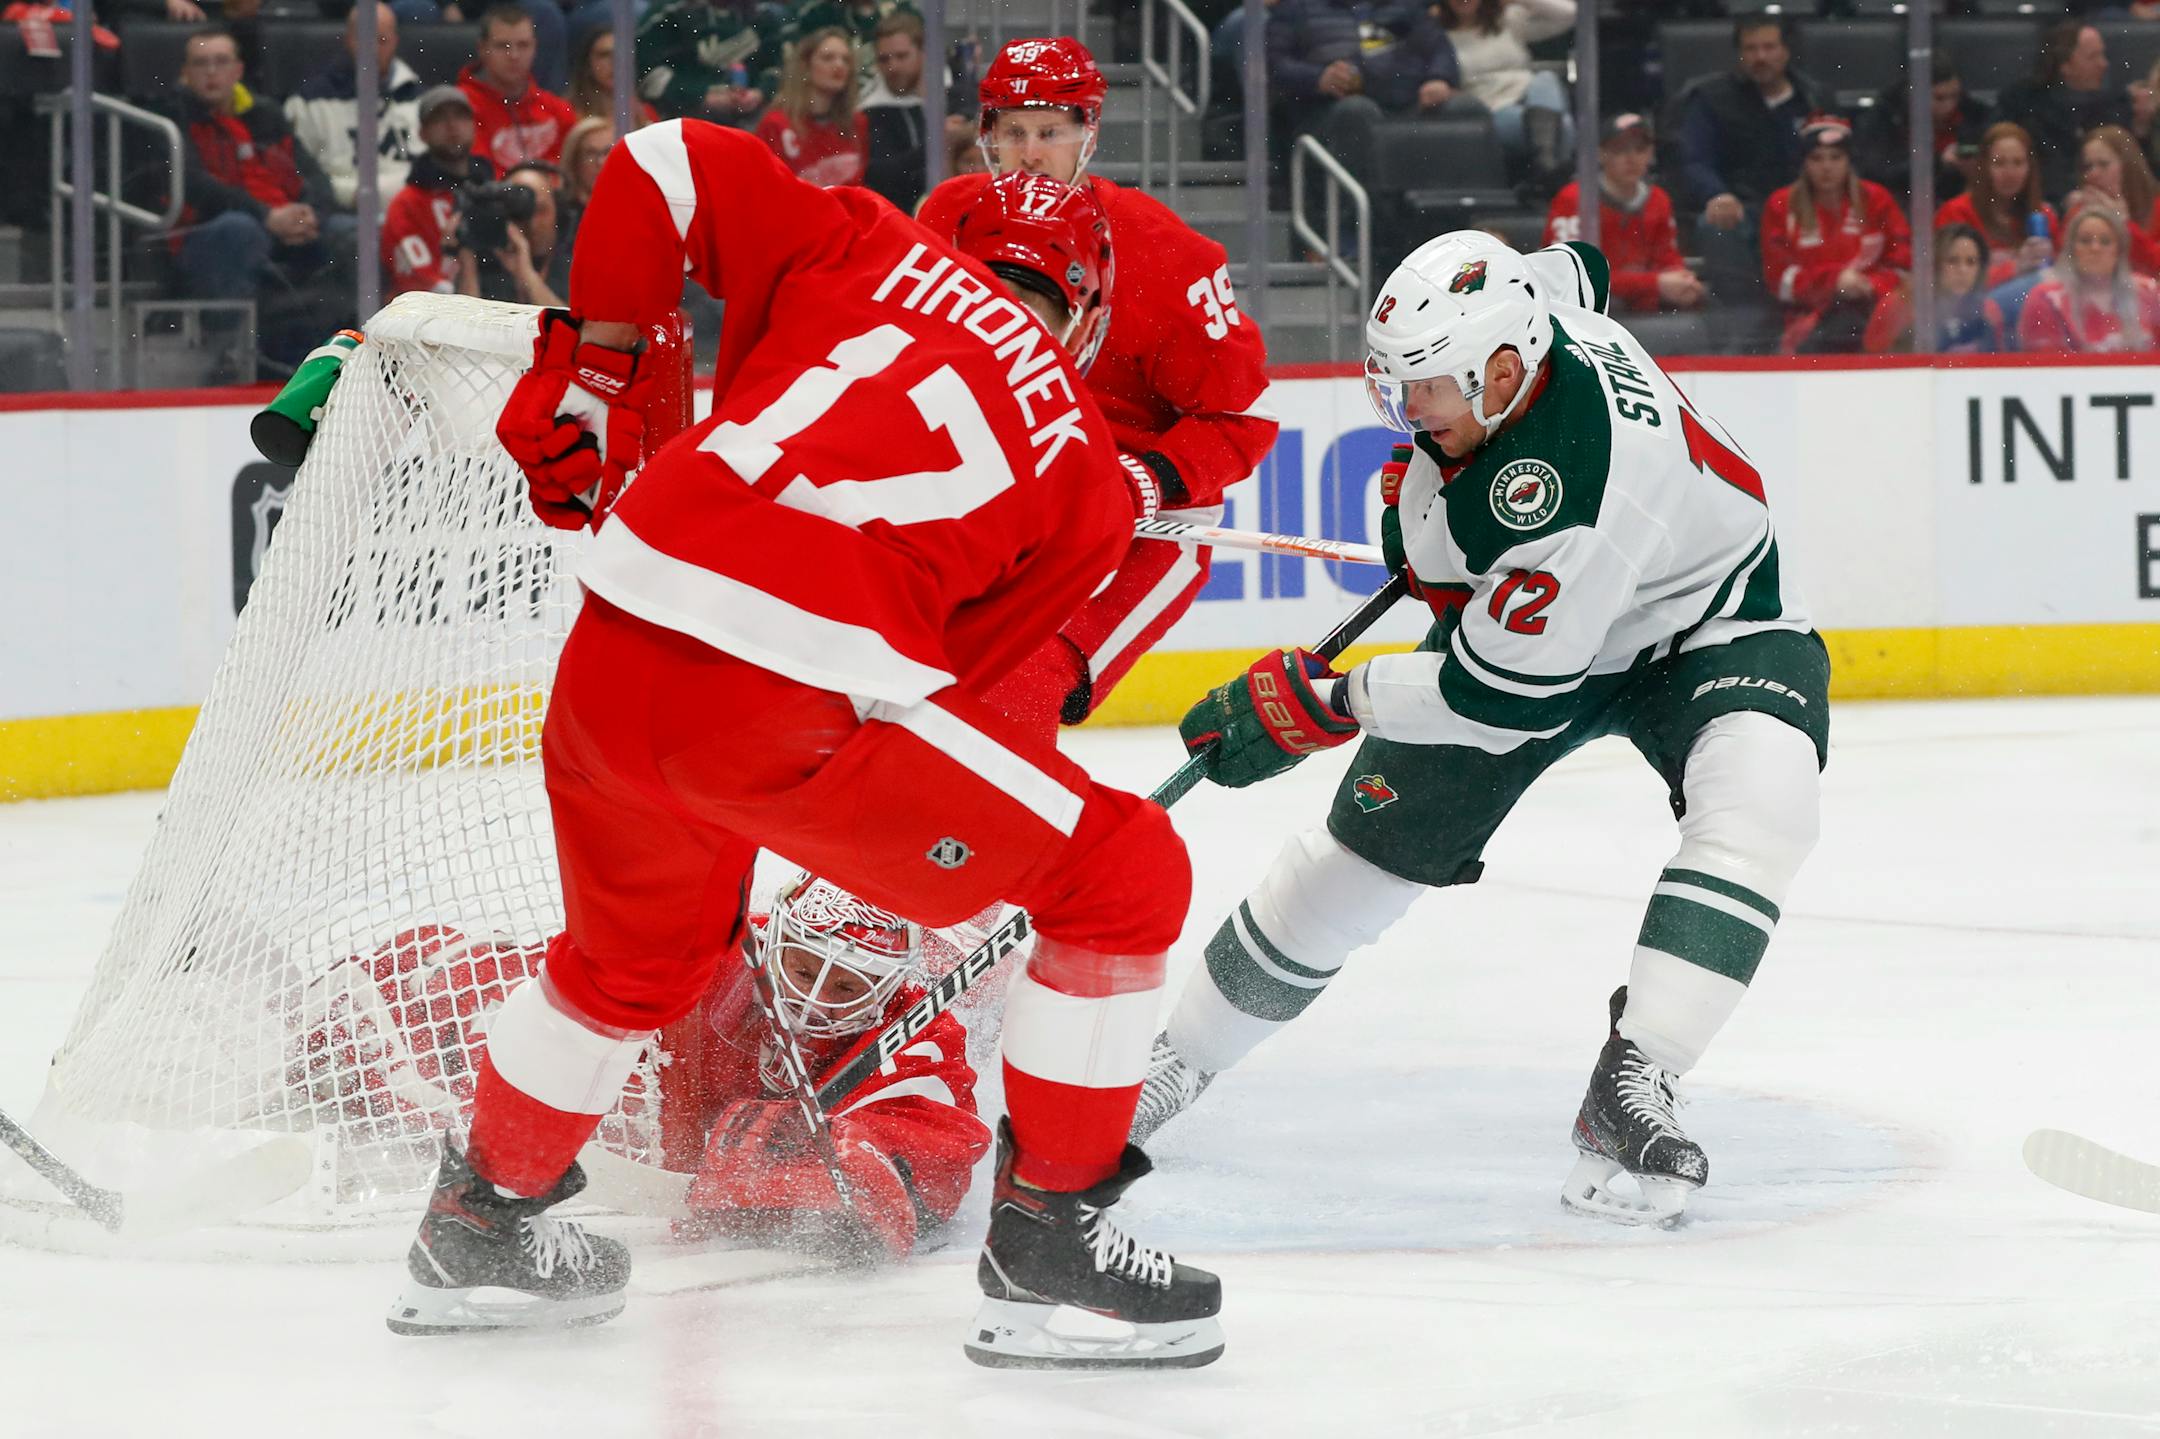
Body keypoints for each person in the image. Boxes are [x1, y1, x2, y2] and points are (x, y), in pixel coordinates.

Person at [386, 127, 1223, 1370]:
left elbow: (658, 161)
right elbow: (955, 678)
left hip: (614, 650)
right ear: (1087, 316)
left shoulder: (863, 242)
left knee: (632, 966)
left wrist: (605, 364)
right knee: (1123, 875)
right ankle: (1056, 1238)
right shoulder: (1094, 478)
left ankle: (484, 1222)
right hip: (781, 706)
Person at [1131, 233, 1828, 1232]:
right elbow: (1579, 262)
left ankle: (1637, 1078)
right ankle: (1177, 1059)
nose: (1410, 412)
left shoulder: (1579, 486)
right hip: (1542, 622)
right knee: (1361, 862)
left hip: (1709, 620)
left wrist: (1325, 701)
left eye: (1427, 389)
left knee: (1767, 800)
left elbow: (1503, 697)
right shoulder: (1524, 320)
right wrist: (1440, 545)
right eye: (1399, 385)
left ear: (1506, 370)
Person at [915, 37, 1278, 739]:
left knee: (1013, 691)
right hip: (995, 496)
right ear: (986, 137)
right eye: (1013, 133)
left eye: (1050, 133)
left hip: (1133, 525)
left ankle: (999, 838)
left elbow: (1242, 415)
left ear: (1089, 135)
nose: (1030, 153)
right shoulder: (948, 221)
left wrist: (1147, 479)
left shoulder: (1168, 253)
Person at [656, 873, 991, 1259]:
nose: (816, 1002)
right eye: (803, 973)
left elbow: (939, 1154)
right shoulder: (714, 957)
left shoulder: (921, 1028)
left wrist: (855, 1154)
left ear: (889, 986)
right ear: (773, 943)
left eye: (848, 988)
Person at [159, 28, 354, 359]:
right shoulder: (172, 120)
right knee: (239, 229)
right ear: (185, 73)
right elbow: (197, 187)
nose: (211, 72)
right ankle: (230, 351)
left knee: (352, 233)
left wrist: (312, 215)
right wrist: (266, 217)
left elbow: (311, 175)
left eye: (220, 62)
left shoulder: (266, 116)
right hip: (207, 238)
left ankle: (349, 348)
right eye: (201, 63)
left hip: (280, 229)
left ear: (238, 71)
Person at [1677, 15, 1824, 303]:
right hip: (1743, 207)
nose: (1760, 57)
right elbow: (1695, 161)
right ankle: (1743, 327)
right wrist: (1716, 194)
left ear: (1786, 51)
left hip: (1802, 208)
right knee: (1716, 225)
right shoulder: (1711, 98)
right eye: (1751, 49)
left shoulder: (1814, 98)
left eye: (1769, 47)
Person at [1759, 116, 1910, 355]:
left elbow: (1903, 265)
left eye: (1836, 158)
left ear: (1849, 161)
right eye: (1816, 158)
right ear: (1804, 163)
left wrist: (1871, 285)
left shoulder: (1877, 200)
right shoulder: (1781, 205)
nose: (1826, 167)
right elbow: (1779, 278)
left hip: (1873, 312)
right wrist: (1834, 282)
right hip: (1807, 321)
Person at [1543, 113, 1702, 313]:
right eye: (1619, 150)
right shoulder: (1574, 199)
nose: (1631, 158)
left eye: (1640, 149)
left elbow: (1667, 257)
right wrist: (1655, 284)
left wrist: (1683, 279)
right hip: (1587, 309)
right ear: (1602, 154)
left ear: (1651, 154)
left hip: (1643, 299)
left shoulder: (1659, 199)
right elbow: (1571, 277)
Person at [1996, 22, 2156, 210]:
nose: (2104, 64)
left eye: (2102, 54)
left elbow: (2139, 175)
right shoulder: (2022, 106)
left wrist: (2142, 128)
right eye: (2093, 57)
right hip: (2044, 209)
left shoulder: (2117, 106)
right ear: (2066, 66)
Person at [286, 3, 425, 213]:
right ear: (349, 40)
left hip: (411, 212)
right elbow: (297, 174)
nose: (373, 50)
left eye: (382, 40)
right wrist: (350, 195)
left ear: (395, 42)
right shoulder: (308, 102)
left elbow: (435, 170)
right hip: (342, 213)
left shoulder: (423, 101)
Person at [1435, 0, 1576, 189]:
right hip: (1493, 107)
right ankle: (1551, 177)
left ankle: (1546, 171)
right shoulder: (1439, 36)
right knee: (1564, 125)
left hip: (1532, 95)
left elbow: (1571, 14)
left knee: (1546, 78)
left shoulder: (1508, 21)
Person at [382, 86, 493, 296]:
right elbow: (422, 294)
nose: (452, 126)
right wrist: (462, 257)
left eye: (460, 116)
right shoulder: (407, 205)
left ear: (474, 126)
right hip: (438, 320)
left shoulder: (494, 192)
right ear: (422, 134)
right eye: (440, 118)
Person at [858, 8, 971, 213]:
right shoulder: (870, 111)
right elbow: (880, 175)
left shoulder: (959, 94)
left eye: (902, 56)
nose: (893, 66)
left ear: (923, 53)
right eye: (884, 59)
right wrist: (937, 142)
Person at [1854, 50, 1989, 207]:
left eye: (1955, 96)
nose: (1950, 105)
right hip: (1904, 202)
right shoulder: (1884, 117)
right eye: (1939, 98)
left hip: (1959, 198)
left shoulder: (1975, 114)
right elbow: (1876, 172)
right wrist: (1937, 163)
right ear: (1916, 94)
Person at [2017, 206, 2160, 353]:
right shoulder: (2046, 299)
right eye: (2085, 241)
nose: (2095, 248)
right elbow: (2043, 367)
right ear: (2071, 249)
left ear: (2119, 251)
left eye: (2105, 241)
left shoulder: (2149, 291)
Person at [1933, 123, 2057, 292]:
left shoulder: (2044, 216)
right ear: (1984, 167)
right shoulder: (1955, 212)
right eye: (1999, 163)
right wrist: (2014, 268)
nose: (2010, 172)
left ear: (2030, 168)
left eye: (2018, 163)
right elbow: (1946, 280)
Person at [458, 4, 579, 171]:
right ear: (482, 49)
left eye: (523, 45)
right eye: (502, 46)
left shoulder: (559, 111)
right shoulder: (461, 108)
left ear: (535, 47)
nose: (514, 56)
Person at [633, 0, 777, 126]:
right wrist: (701, 96)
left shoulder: (762, 14)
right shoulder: (668, 13)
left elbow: (777, 68)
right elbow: (648, 77)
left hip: (750, 120)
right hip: (682, 119)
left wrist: (760, 93)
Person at [756, 24, 866, 186]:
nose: (839, 65)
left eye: (846, 60)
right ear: (806, 67)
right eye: (828, 58)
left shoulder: (857, 123)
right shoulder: (776, 125)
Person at [455, 160, 565, 307]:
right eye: (519, 213)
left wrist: (527, 275)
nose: (531, 223)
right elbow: (464, 325)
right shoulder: (484, 258)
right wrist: (466, 253)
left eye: (540, 210)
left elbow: (570, 327)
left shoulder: (577, 263)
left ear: (557, 211)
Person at [2064, 126, 2160, 278]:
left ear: (2128, 167)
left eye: (2103, 164)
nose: (2093, 174)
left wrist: (2125, 225)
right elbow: (2065, 270)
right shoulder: (2079, 212)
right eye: (2088, 167)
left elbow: (2156, 267)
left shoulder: (2157, 207)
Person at [1934, 223, 2005, 354]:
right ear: (1935, 264)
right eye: (1952, 261)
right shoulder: (1912, 311)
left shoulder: (1989, 311)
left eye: (1971, 262)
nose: (1962, 270)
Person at [565, 25, 655, 127]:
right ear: (588, 64)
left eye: (622, 54)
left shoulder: (647, 114)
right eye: (604, 55)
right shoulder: (566, 114)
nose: (615, 62)